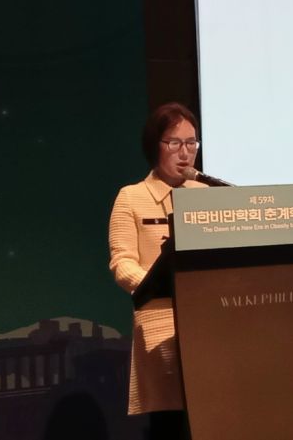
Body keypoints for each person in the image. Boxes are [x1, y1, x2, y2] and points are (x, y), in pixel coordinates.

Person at [108, 102, 206, 440]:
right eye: (174, 143)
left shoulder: (208, 195)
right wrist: (151, 283)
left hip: (210, 321)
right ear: (155, 146)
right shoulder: (131, 197)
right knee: (172, 425)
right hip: (161, 324)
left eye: (191, 143)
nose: (185, 153)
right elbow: (122, 262)